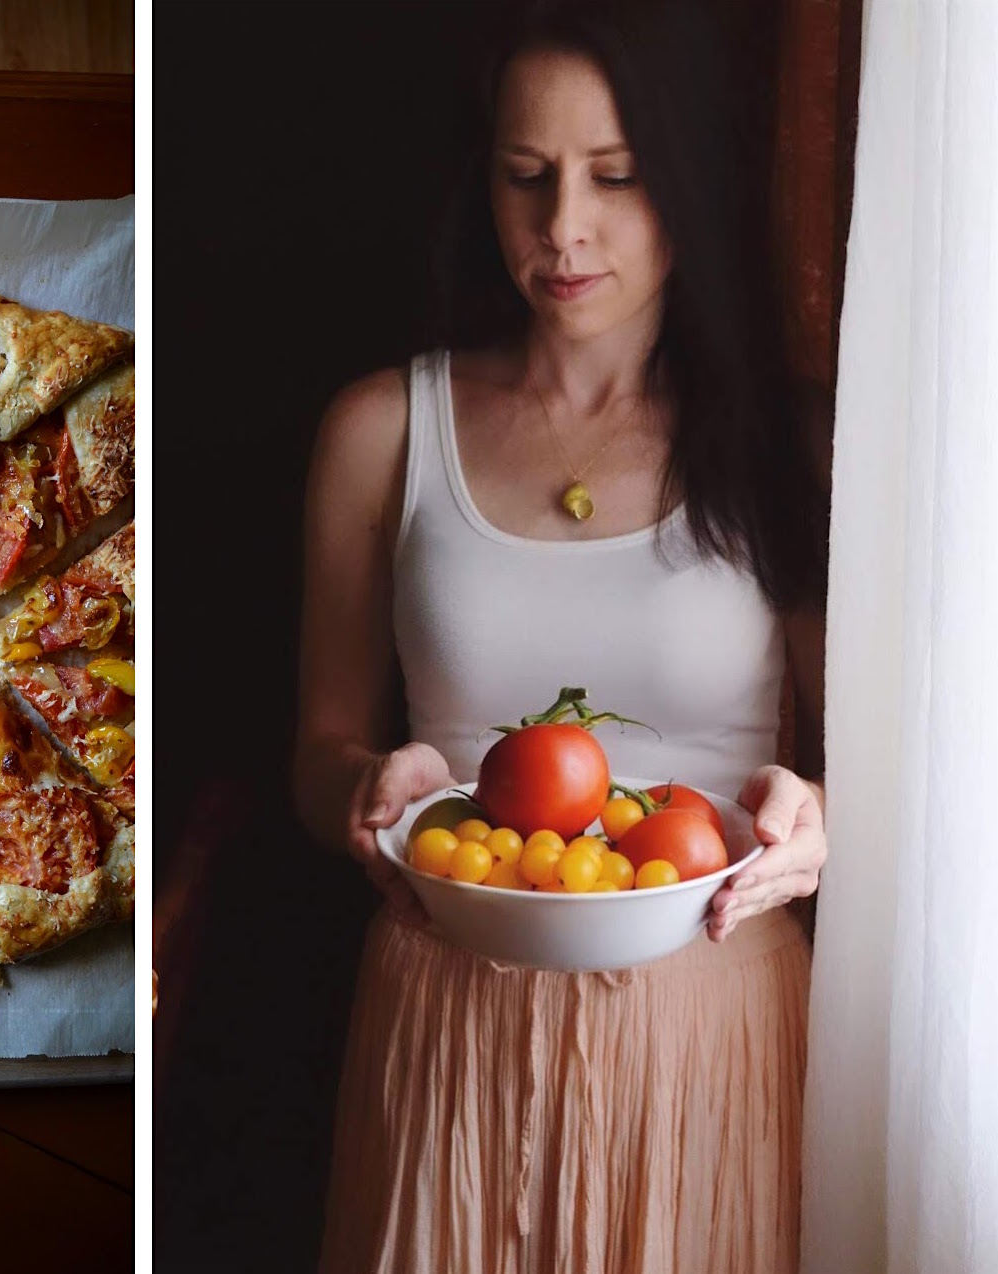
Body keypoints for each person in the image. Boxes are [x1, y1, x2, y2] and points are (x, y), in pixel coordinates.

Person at [293, 1, 831, 1270]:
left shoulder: (780, 444)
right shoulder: (380, 428)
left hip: (713, 1019)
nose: (561, 229)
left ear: (686, 185)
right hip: (445, 1015)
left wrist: (818, 828)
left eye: (616, 177)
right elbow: (316, 749)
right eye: (525, 177)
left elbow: (875, 782)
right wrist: (367, 790)